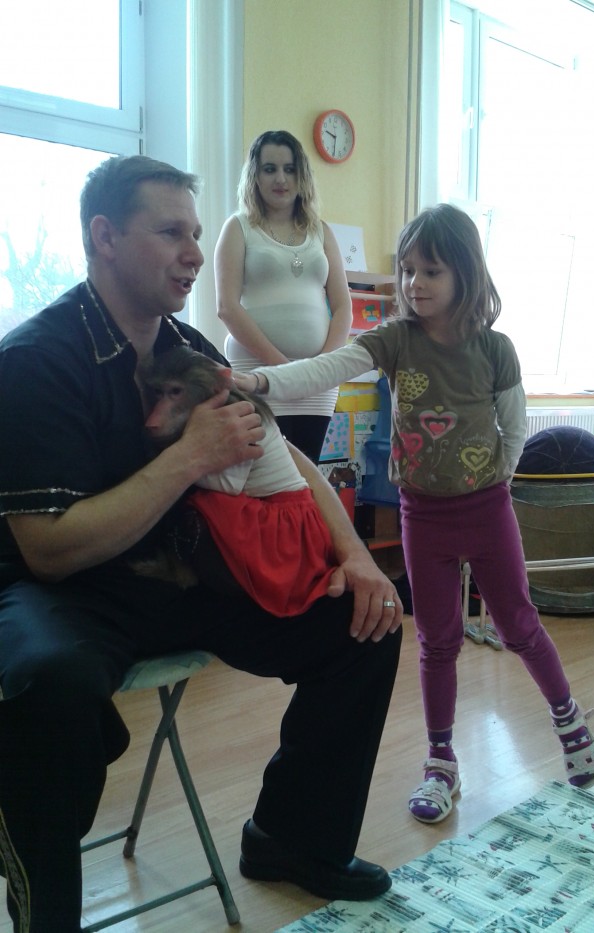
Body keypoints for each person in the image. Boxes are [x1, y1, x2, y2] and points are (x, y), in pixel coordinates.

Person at [0, 154, 403, 933]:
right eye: (170, 233)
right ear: (105, 237)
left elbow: (285, 457)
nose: (194, 252)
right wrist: (190, 456)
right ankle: (46, 910)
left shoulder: (193, 349)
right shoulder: (35, 361)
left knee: (367, 623)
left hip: (183, 574)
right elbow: (48, 549)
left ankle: (291, 838)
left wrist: (354, 555)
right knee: (50, 686)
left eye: (195, 232)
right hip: (67, 592)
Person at [235, 203, 594, 825]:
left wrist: (494, 481)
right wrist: (263, 382)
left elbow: (514, 429)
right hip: (422, 515)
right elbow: (330, 366)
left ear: (465, 273)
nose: (414, 283)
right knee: (437, 640)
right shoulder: (396, 340)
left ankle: (568, 720)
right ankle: (441, 763)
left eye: (430, 271)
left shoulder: (495, 349)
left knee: (519, 625)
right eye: (407, 270)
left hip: (487, 509)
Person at [142, 345, 338, 617]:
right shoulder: (229, 403)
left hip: (281, 527)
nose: (160, 409)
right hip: (276, 515)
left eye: (175, 392)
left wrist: (178, 460)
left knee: (198, 500)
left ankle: (188, 577)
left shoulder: (237, 414)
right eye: (158, 393)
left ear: (216, 387)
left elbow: (228, 486)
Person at [214, 129, 352, 464]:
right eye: (269, 169)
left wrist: (320, 368)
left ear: (302, 176)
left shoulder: (321, 231)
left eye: (289, 169)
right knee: (262, 472)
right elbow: (227, 307)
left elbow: (343, 307)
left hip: (316, 384)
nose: (280, 178)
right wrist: (285, 369)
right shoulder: (238, 227)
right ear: (255, 176)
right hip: (257, 370)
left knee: (308, 473)